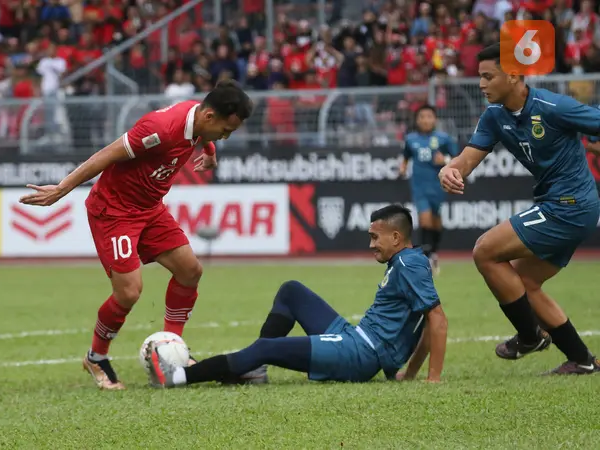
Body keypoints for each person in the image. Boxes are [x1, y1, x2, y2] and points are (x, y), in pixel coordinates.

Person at [19, 80, 254, 390]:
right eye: (225, 131)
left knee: (189, 271)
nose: (225, 137)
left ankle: (173, 351)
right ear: (210, 117)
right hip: (114, 211)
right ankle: (96, 357)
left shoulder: (198, 119)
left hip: (150, 208)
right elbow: (106, 155)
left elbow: (200, 133)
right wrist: (62, 189)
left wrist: (209, 150)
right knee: (129, 292)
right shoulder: (160, 128)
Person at [145, 205, 448, 388]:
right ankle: (254, 370)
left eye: (374, 237)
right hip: (357, 339)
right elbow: (426, 322)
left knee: (265, 346)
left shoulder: (409, 264)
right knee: (292, 291)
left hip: (359, 354)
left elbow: (437, 319)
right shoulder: (407, 262)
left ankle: (178, 378)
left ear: (396, 237)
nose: (371, 244)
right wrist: (409, 373)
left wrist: (431, 377)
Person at [438, 43, 600, 375]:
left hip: (569, 206)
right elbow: (467, 159)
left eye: (487, 76)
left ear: (513, 75)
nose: (481, 85)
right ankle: (582, 360)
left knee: (485, 251)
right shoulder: (495, 116)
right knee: (525, 281)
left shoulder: (552, 106)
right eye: (479, 77)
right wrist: (450, 169)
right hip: (562, 206)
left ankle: (529, 336)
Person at [399, 104, 460, 275]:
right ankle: (425, 259)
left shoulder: (444, 139)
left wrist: (445, 159)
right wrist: (402, 167)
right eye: (422, 117)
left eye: (429, 117)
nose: (425, 120)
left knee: (436, 222)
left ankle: (433, 252)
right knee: (424, 220)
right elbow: (406, 156)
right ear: (417, 120)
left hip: (438, 186)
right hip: (419, 186)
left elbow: (457, 159)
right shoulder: (411, 139)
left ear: (435, 119)